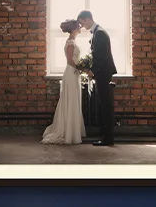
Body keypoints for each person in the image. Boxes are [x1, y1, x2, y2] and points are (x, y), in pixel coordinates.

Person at [40, 19, 86, 145]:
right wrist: (84, 68)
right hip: (71, 73)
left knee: (74, 100)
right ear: (74, 29)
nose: (80, 28)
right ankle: (68, 132)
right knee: (70, 100)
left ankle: (72, 130)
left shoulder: (73, 41)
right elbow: (70, 61)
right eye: (78, 26)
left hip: (74, 73)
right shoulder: (70, 42)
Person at [78, 10, 116, 146]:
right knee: (104, 105)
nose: (82, 27)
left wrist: (92, 71)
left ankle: (108, 139)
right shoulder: (98, 32)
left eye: (82, 23)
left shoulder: (99, 33)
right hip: (103, 72)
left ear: (87, 19)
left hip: (103, 73)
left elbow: (102, 56)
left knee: (106, 106)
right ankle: (106, 138)